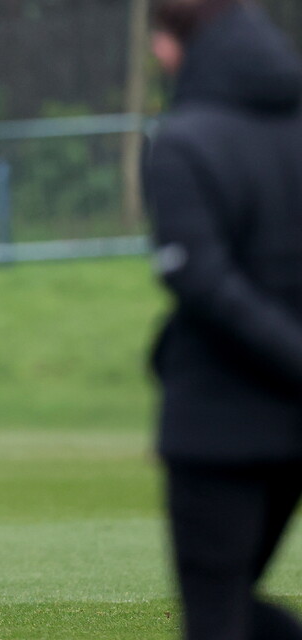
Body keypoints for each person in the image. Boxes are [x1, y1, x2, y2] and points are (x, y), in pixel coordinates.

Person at [145, 1, 302, 638]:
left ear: (170, 42)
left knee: (215, 615)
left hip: (217, 426)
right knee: (235, 607)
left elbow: (205, 282)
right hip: (292, 422)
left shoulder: (182, 141)